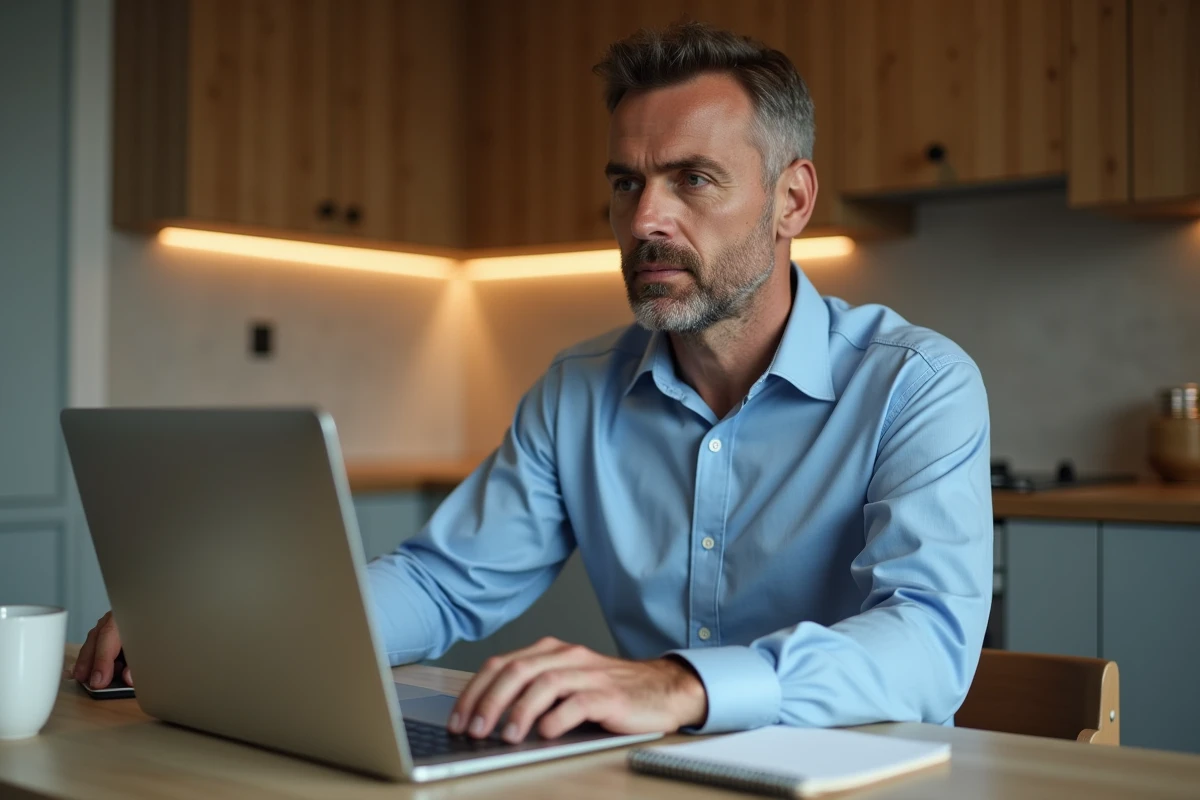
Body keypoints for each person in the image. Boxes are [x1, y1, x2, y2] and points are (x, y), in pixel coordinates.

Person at [75, 22, 992, 747]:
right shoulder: (579, 390)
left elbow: (928, 643)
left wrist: (676, 683)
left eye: (693, 179)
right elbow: (441, 586)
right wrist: (229, 628)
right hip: (659, 776)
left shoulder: (918, 385)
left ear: (792, 200)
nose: (646, 219)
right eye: (626, 183)